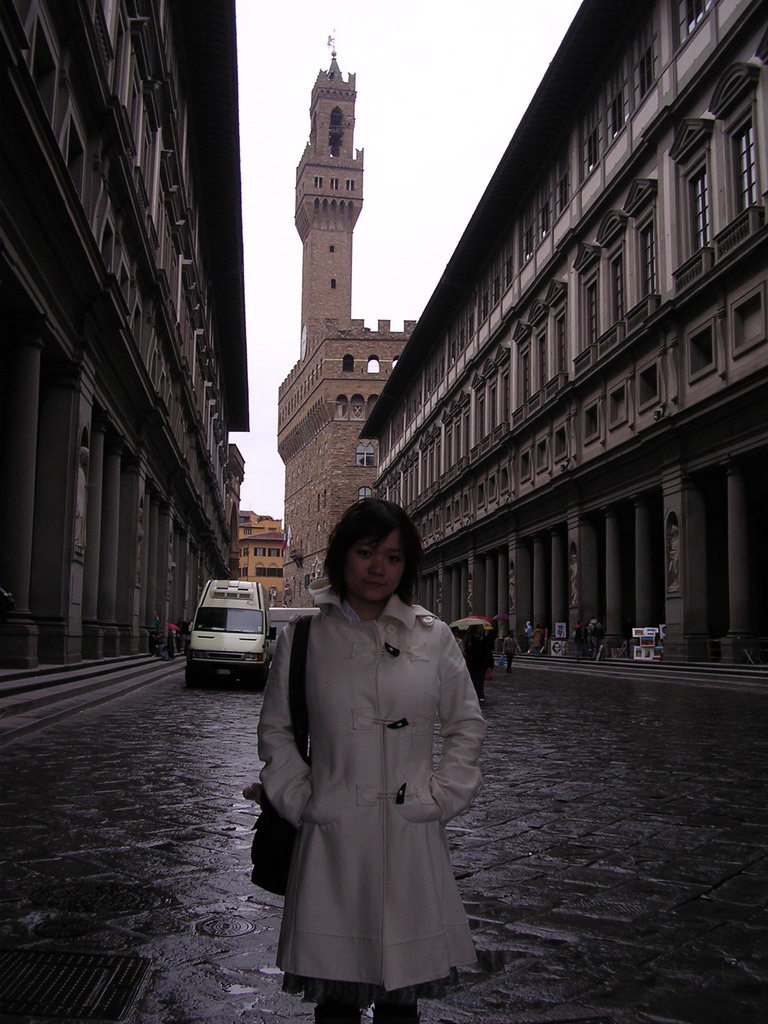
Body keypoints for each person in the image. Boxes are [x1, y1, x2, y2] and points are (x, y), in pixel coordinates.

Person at [253, 498, 486, 1024]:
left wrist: (443, 795)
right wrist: (303, 800)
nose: (379, 567)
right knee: (335, 1005)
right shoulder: (303, 639)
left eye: (393, 557)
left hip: (411, 833)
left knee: (402, 1005)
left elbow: (465, 724)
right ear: (341, 557)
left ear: (407, 567)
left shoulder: (435, 637)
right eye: (365, 552)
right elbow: (276, 731)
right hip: (332, 835)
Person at [463, 624, 492, 703]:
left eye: (482, 628)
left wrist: (490, 663)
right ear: (475, 629)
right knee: (474, 680)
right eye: (479, 628)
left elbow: (488, 651)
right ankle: (474, 695)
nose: (481, 629)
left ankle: (481, 695)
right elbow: (466, 652)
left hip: (482, 663)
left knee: (481, 679)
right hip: (473, 663)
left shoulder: (485, 639)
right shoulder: (470, 639)